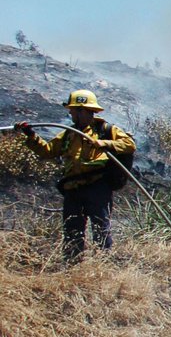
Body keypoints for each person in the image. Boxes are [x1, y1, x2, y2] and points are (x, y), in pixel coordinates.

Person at [12, 89, 136, 261]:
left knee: (101, 227)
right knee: (72, 230)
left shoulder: (105, 130)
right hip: (73, 188)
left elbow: (129, 144)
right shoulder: (68, 134)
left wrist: (102, 143)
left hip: (98, 187)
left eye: (73, 110)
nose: (70, 113)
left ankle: (103, 265)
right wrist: (31, 136)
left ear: (82, 110)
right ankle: (72, 264)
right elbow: (47, 151)